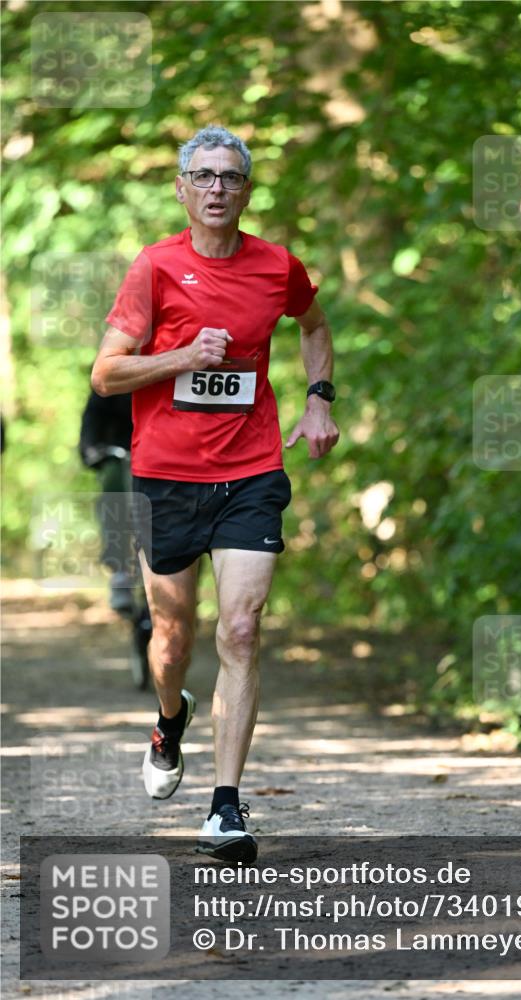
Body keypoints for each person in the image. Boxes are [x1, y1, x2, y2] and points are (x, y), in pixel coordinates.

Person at [91, 125, 339, 863]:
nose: (217, 189)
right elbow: (106, 374)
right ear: (182, 189)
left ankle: (225, 808)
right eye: (203, 176)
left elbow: (314, 325)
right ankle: (170, 719)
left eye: (230, 177)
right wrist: (179, 357)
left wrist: (318, 400)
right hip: (166, 475)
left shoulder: (277, 266)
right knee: (172, 641)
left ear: (246, 190)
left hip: (251, 471)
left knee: (241, 629)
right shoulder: (154, 267)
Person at [78, 389, 135, 614]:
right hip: (121, 451)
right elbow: (94, 412)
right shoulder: (117, 371)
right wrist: (90, 447)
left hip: (166, 452)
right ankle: (120, 571)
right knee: (113, 488)